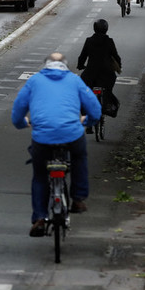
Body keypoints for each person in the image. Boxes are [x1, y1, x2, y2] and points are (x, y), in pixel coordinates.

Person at [11, 52, 102, 237]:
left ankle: (39, 218)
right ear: (65, 65)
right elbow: (94, 110)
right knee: (79, 159)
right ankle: (78, 199)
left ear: (46, 65)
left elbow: (17, 112)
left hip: (42, 137)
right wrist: (86, 122)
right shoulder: (74, 81)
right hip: (72, 134)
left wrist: (23, 123)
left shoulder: (35, 81)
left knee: (40, 175)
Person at [77, 19, 122, 132]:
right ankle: (105, 104)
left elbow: (82, 57)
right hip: (106, 75)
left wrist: (80, 65)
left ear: (94, 28)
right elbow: (116, 56)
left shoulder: (89, 41)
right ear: (106, 29)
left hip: (90, 74)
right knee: (107, 90)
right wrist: (118, 66)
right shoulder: (109, 41)